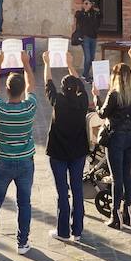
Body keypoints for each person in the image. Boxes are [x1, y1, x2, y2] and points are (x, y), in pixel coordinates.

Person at [0, 51, 37, 255]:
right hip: (25, 162)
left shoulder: (0, 109)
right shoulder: (30, 107)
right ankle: (22, 242)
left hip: (3, 161)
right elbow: (32, 87)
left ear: (7, 91)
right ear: (21, 90)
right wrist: (26, 64)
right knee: (24, 203)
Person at [45, 64, 90, 242]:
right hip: (78, 152)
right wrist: (71, 64)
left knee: (62, 192)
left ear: (62, 89)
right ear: (78, 88)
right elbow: (80, 84)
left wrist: (47, 62)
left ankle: (63, 231)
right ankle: (77, 231)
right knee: (77, 190)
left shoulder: (58, 101)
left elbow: (48, 82)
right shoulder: (83, 101)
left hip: (58, 153)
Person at [96, 62, 131, 228]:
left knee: (117, 178)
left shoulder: (114, 95)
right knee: (126, 175)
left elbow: (102, 114)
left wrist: (96, 97)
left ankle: (116, 216)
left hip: (116, 138)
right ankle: (127, 212)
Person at [73, 0, 101, 82]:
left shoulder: (94, 13)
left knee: (92, 57)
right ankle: (86, 76)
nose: (87, 5)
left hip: (93, 37)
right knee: (88, 57)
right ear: (82, 4)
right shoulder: (80, 13)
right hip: (85, 38)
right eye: (85, 3)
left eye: (88, 3)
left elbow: (99, 18)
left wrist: (96, 11)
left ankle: (85, 74)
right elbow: (80, 21)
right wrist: (85, 11)